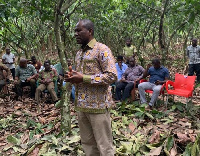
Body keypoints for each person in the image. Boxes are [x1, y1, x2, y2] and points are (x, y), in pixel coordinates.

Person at [65, 19, 117, 156]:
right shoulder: (79, 53)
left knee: (104, 144)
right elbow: (81, 76)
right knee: (88, 143)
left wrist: (84, 78)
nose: (75, 34)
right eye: (75, 31)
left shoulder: (102, 49)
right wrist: (73, 78)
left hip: (98, 106)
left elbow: (112, 76)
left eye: (79, 30)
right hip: (82, 105)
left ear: (90, 31)